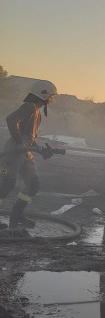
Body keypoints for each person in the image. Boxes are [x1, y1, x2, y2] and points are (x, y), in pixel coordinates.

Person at [0, 80, 58, 230]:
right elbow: (11, 119)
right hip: (14, 151)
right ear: (43, 94)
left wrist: (41, 150)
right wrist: (19, 142)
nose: (51, 100)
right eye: (50, 96)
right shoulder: (30, 107)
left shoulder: (37, 112)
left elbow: (29, 137)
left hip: (25, 152)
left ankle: (17, 215)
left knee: (33, 184)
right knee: (7, 184)